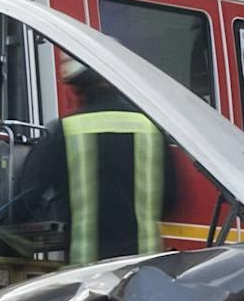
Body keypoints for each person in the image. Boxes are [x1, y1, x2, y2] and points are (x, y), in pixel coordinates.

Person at [16, 60, 168, 263]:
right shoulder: (151, 127)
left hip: (89, 270)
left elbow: (26, 197)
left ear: (77, 90)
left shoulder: (65, 131)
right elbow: (172, 198)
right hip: (145, 267)